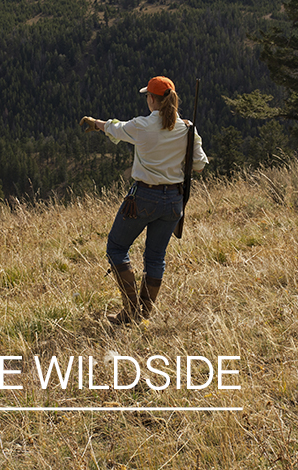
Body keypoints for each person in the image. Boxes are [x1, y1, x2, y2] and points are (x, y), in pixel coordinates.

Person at [80, 76, 208, 325]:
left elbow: (115, 128)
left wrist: (95, 123)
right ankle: (144, 313)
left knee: (116, 248)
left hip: (144, 197)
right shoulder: (187, 128)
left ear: (151, 99)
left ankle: (130, 311)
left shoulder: (142, 126)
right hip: (173, 200)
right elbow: (200, 165)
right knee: (156, 257)